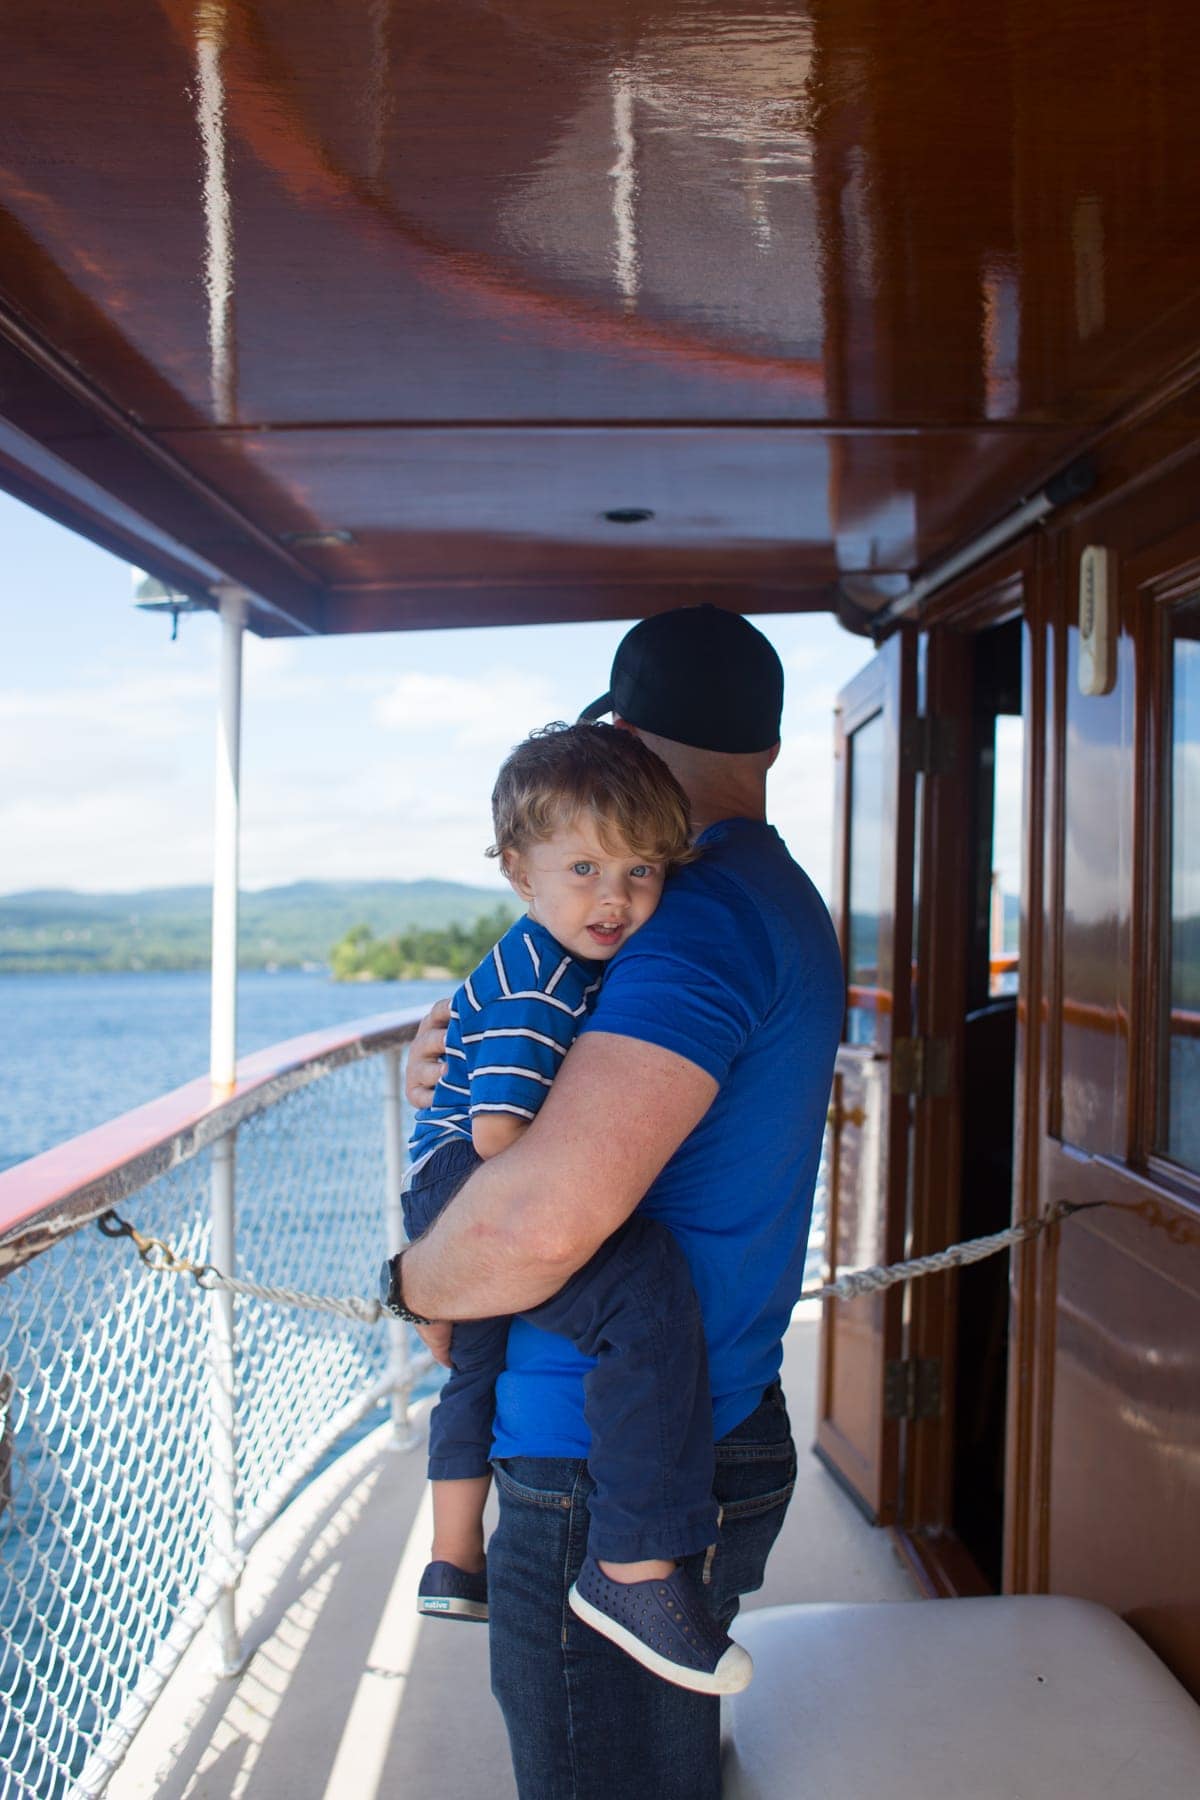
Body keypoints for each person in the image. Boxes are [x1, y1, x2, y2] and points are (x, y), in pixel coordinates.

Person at [394, 605, 845, 1800]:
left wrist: (412, 1281)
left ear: (629, 740)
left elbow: (542, 1221)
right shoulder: (766, 894)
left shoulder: (688, 916)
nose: (613, 885)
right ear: (772, 749)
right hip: (712, 1411)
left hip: (599, 1459)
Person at [388, 720, 751, 1694]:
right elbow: (506, 1142)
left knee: (475, 1366)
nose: (616, 899)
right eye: (586, 869)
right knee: (641, 1286)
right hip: (474, 1172)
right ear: (519, 870)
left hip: (443, 1176)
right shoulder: (547, 976)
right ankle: (632, 1564)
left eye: (640, 872)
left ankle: (451, 1559)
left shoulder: (542, 954)